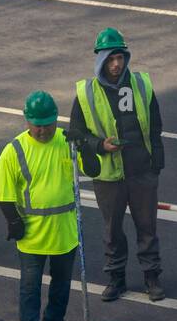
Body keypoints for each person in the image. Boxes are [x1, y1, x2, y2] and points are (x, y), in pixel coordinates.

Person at [0, 90, 102, 321]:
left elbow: (93, 170)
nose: (43, 130)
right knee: (30, 288)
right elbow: (3, 193)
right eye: (37, 125)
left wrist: (86, 147)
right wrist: (13, 221)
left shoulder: (67, 143)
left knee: (62, 284)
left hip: (64, 231)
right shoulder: (14, 150)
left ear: (56, 120)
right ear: (27, 121)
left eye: (48, 124)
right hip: (32, 235)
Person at [69, 26, 165, 302]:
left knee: (147, 227)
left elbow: (155, 124)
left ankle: (152, 278)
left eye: (120, 57)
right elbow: (76, 133)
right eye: (111, 58)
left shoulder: (142, 85)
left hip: (141, 171)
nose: (116, 64)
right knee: (112, 230)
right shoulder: (86, 93)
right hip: (109, 176)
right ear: (100, 59)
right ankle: (116, 278)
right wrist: (100, 145)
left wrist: (156, 161)